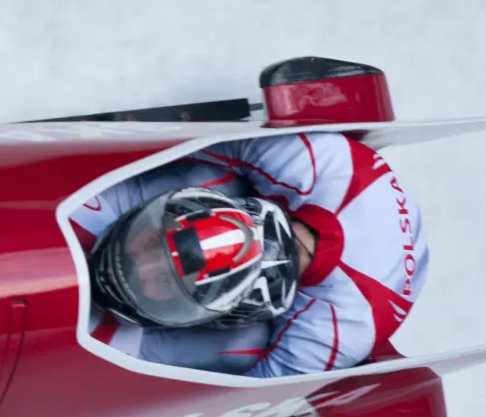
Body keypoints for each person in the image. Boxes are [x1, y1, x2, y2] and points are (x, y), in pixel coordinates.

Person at [71, 129, 428, 377]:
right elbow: (201, 147)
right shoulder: (314, 162)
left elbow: (248, 398)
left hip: (368, 298)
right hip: (349, 182)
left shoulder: (337, 331)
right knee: (206, 178)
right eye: (150, 244)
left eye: (163, 279)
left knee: (244, 346)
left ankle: (130, 353)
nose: (137, 267)